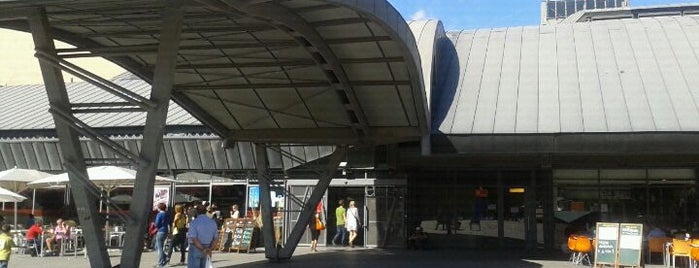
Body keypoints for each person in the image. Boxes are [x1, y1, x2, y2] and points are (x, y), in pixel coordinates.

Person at [154, 203, 170, 268]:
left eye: (158, 207)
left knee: (159, 247)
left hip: (160, 231)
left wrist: (155, 226)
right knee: (157, 246)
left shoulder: (159, 214)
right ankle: (165, 257)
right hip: (165, 230)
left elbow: (157, 223)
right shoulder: (166, 214)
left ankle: (160, 263)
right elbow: (169, 222)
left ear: (159, 208)